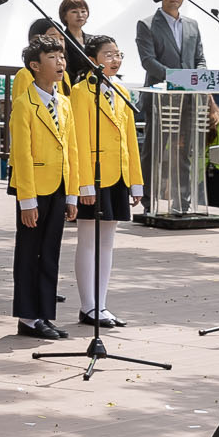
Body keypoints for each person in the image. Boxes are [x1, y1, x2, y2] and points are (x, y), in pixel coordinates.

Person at [70, 35, 144, 326]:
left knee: (107, 243)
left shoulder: (121, 90)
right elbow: (78, 140)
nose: (115, 60)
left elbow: (130, 140)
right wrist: (84, 185)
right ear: (92, 59)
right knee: (88, 241)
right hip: (93, 175)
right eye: (109, 54)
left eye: (118, 54)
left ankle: (101, 305)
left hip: (118, 175)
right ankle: (88, 306)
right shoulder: (80, 91)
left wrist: (135, 182)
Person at [9, 37, 76, 339]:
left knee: (50, 253)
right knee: (29, 252)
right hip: (34, 188)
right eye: (52, 57)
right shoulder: (24, 104)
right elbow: (21, 155)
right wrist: (26, 200)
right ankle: (27, 316)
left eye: (61, 57)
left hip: (60, 185)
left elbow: (71, 148)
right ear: (35, 66)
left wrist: (72, 192)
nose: (60, 63)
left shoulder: (64, 102)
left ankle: (45, 315)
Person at [134, 0, 203, 89]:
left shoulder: (192, 24)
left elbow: (200, 59)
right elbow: (148, 61)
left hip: (190, 95)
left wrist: (200, 77)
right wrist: (177, 78)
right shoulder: (146, 24)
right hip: (159, 94)